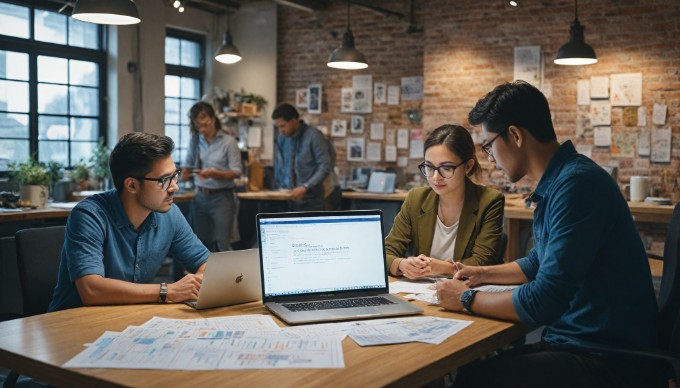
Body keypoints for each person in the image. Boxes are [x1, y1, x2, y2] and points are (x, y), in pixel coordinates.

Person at [436, 81, 663, 387]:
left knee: (475, 378)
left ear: (514, 135)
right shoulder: (563, 179)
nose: (490, 159)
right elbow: (538, 262)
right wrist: (481, 274)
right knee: (474, 369)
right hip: (582, 342)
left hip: (610, 358)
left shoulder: (576, 186)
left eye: (489, 146)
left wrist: (466, 298)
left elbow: (544, 301)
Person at [48, 133, 210, 312]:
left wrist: (202, 279)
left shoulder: (170, 214)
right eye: (164, 180)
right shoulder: (89, 216)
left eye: (175, 176)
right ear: (132, 185)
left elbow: (206, 262)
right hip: (71, 324)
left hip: (128, 318)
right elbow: (91, 289)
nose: (174, 187)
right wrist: (168, 291)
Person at [385, 124, 504, 279]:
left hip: (465, 291)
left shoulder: (489, 201)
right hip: (421, 294)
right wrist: (401, 264)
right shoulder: (416, 198)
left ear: (468, 166)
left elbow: (483, 261)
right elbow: (387, 252)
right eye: (429, 167)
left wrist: (446, 268)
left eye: (446, 168)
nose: (435, 177)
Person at [182, 101, 242, 252]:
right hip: (200, 197)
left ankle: (228, 276)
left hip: (222, 198)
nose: (202, 129)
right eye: (198, 126)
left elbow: (236, 171)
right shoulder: (195, 140)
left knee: (223, 243)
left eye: (205, 125)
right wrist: (185, 172)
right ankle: (206, 276)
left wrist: (216, 173)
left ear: (213, 119)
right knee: (200, 243)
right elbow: (188, 164)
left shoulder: (229, 142)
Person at [272, 103, 331, 211]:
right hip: (288, 200)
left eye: (283, 125)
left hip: (311, 201)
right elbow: (280, 165)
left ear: (295, 120)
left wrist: (306, 187)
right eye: (278, 127)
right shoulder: (282, 139)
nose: (280, 130)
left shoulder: (314, 136)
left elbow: (325, 166)